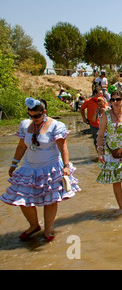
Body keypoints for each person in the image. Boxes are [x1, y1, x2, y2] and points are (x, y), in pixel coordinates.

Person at [1, 97, 80, 242]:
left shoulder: (56, 126)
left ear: (44, 112)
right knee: (21, 198)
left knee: (49, 200)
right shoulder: (25, 125)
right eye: (30, 115)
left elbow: (63, 147)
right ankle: (34, 225)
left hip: (50, 168)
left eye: (37, 116)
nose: (34, 118)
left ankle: (48, 230)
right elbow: (21, 146)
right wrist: (13, 164)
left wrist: (66, 166)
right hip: (29, 168)